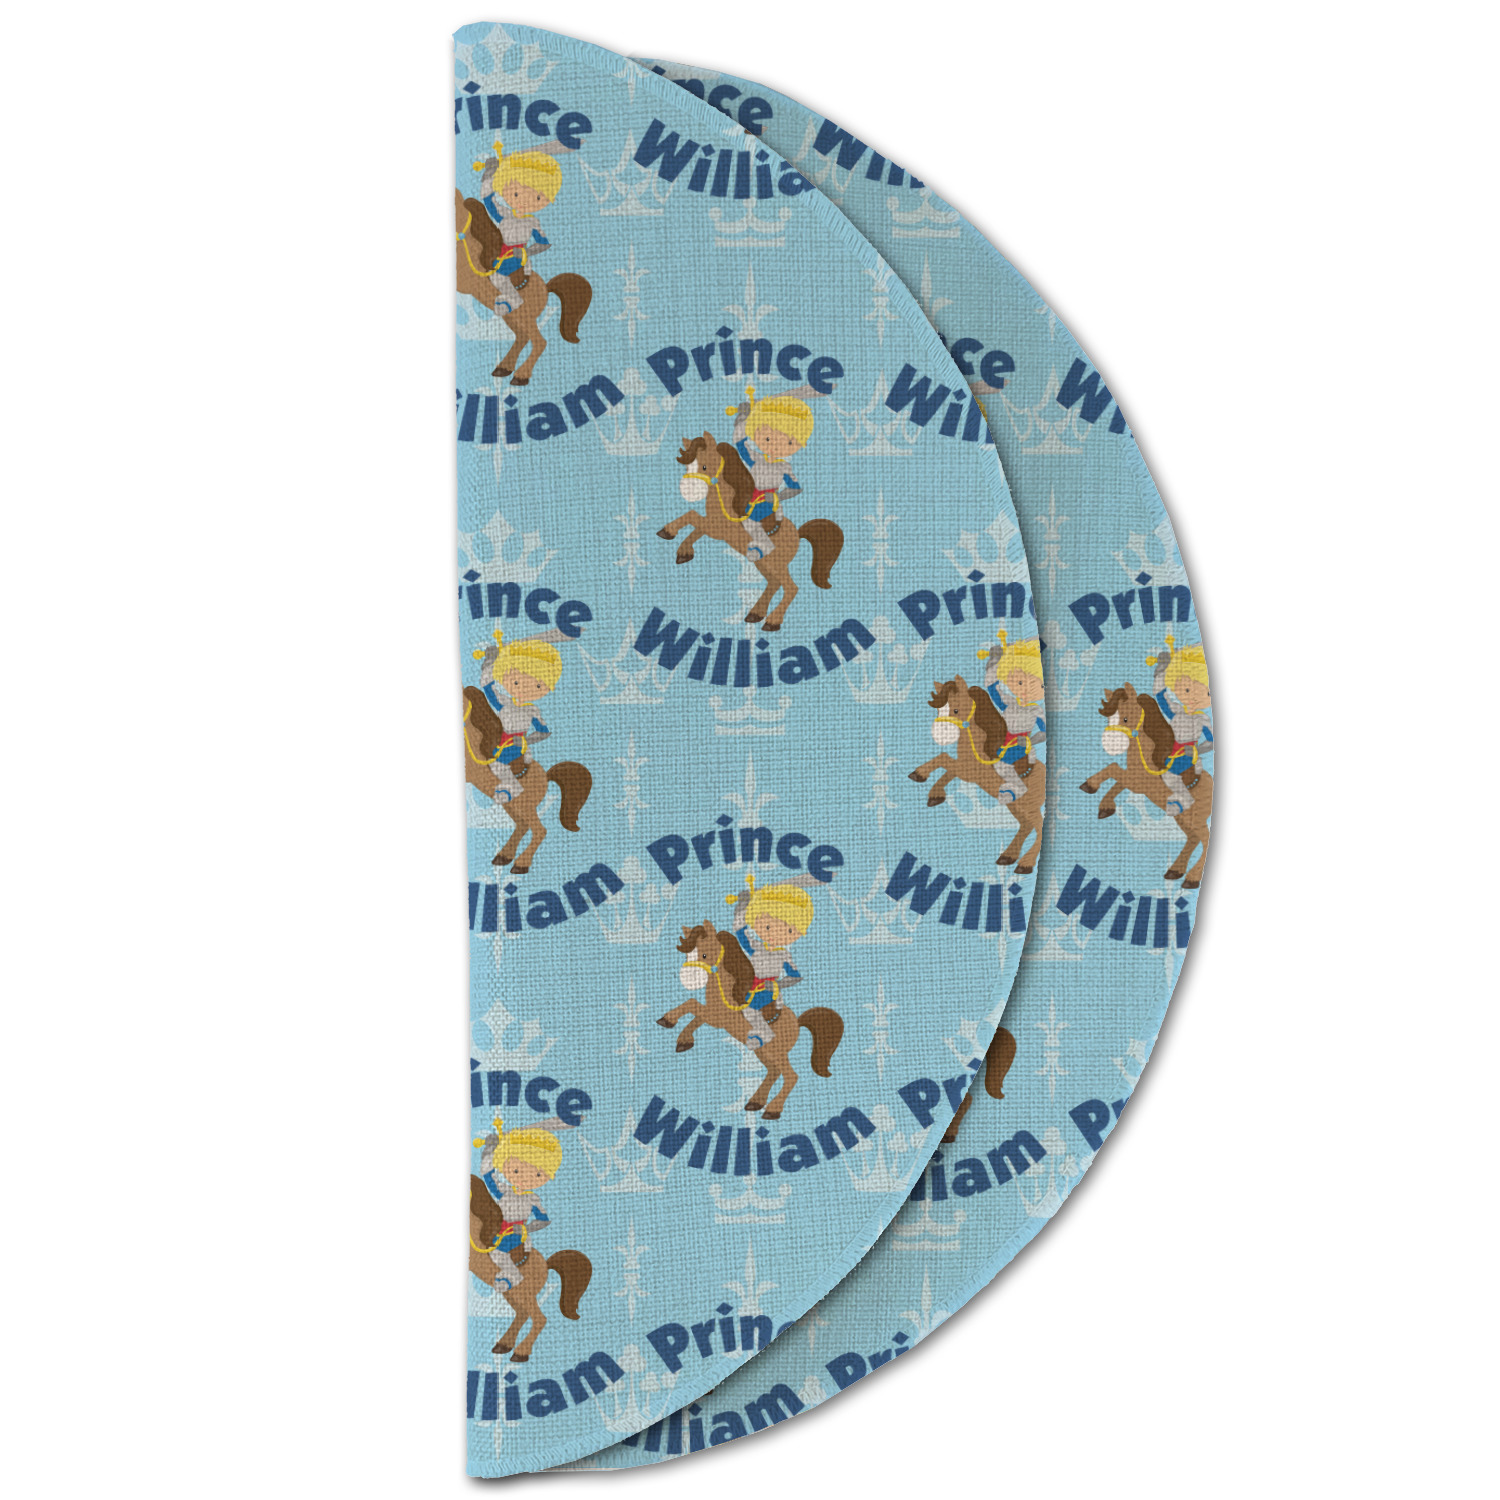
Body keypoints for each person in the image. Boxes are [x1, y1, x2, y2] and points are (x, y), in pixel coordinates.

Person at [469, 138, 575, 312]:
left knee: (496, 276)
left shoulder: (532, 222)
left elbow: (543, 243)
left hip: (517, 257)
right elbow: (488, 200)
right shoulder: (505, 215)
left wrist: (526, 252)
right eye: (516, 194)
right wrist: (489, 174)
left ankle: (513, 299)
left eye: (537, 197)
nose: (524, 201)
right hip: (499, 251)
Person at [726, 385, 828, 559]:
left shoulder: (784, 468)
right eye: (768, 438)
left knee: (749, 521)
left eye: (788, 442)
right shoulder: (756, 459)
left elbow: (795, 488)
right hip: (749, 495)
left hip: (767, 502)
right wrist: (743, 418)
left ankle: (764, 546)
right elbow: (740, 443)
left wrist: (777, 497)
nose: (774, 445)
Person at [472, 1116, 573, 1288]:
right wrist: (489, 1151)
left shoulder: (532, 1199)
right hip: (498, 1230)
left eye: (538, 1174)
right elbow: (488, 1175)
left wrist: (526, 1228)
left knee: (497, 1254)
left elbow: (543, 1220)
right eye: (516, 1170)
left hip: (516, 1234)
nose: (524, 1178)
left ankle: (512, 1276)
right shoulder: (505, 1192)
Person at [471, 628, 566, 802]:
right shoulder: (504, 703)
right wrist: (490, 662)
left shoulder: (532, 711)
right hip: (499, 740)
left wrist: (525, 741)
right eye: (516, 682)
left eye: (538, 686)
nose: (524, 688)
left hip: (516, 745)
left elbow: (544, 732)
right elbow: (488, 687)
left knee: (496, 764)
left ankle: (511, 788)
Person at [724, 872, 817, 1047]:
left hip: (767, 991)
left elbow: (795, 976)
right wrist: (743, 906)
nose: (775, 933)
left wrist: (778, 985)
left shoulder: (783, 955)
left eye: (789, 930)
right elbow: (740, 930)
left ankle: (764, 1035)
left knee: (749, 1010)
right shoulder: (755, 947)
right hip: (749, 985)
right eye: (767, 926)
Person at [977, 630, 1046, 804]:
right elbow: (992, 687)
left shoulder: (1036, 711)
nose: (1026, 689)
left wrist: (1030, 741)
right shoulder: (1009, 704)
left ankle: (1017, 787)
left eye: (1034, 684)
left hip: (1021, 745)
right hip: (1003, 740)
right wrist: (994, 661)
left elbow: (1046, 732)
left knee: (1001, 764)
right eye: (1020, 683)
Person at [1148, 636, 1212, 815]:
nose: (1191, 697)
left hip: (1188, 755)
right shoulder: (1176, 713)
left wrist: (1197, 751)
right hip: (1173, 752)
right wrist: (1161, 670)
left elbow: (1212, 741)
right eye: (1185, 690)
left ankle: (1184, 799)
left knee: (1168, 775)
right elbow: (1160, 696)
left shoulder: (1203, 719)